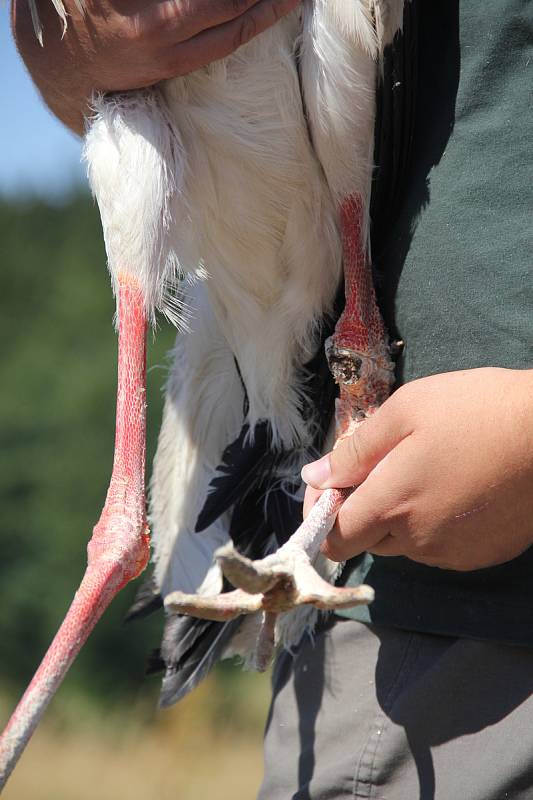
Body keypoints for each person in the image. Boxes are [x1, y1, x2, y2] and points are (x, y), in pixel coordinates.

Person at [13, 1, 533, 797]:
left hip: (453, 602)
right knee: (123, 522)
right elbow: (91, 63)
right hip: (395, 628)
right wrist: (60, 50)